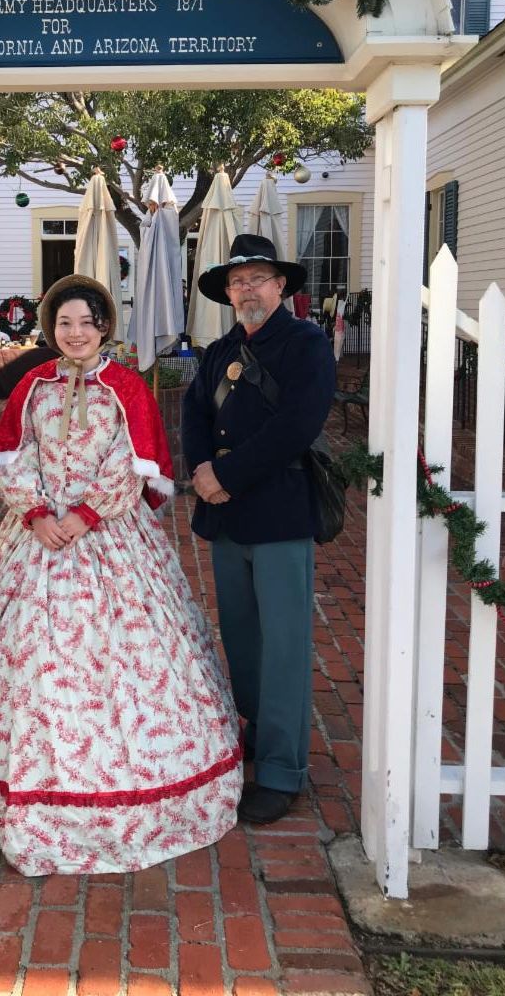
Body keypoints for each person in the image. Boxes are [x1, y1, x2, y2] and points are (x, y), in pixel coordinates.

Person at [0, 274, 242, 875]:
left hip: (110, 537)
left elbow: (133, 464)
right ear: (51, 328)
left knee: (130, 658)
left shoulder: (127, 387)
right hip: (35, 537)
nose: (76, 332)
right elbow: (13, 456)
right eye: (65, 323)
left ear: (104, 326)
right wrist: (36, 513)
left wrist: (84, 515)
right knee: (23, 651)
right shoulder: (33, 385)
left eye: (87, 322)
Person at [182, 234, 335, 825]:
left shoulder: (306, 344)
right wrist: (202, 470)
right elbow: (195, 412)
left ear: (281, 286)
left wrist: (224, 475)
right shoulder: (220, 350)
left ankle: (280, 768)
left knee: (284, 646)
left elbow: (297, 426)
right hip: (227, 517)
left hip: (278, 516)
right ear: (227, 292)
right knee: (243, 640)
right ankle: (256, 727)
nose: (247, 288)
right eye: (238, 280)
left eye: (258, 278)